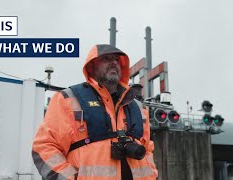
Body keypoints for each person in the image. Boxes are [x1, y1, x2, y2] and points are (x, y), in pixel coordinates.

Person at [32, 44, 158, 180]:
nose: (114, 62)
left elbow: (148, 151)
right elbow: (45, 147)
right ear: (92, 67)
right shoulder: (67, 99)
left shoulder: (139, 108)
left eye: (116, 60)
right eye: (107, 59)